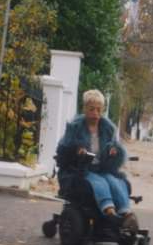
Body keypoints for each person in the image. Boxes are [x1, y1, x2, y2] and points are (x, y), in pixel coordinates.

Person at [56, 90, 137, 228]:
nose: (95, 113)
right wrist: (76, 150)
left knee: (115, 180)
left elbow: (115, 147)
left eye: (99, 110)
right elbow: (63, 149)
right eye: (92, 109)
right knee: (99, 181)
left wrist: (113, 151)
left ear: (103, 110)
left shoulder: (108, 128)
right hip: (80, 169)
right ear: (85, 109)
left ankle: (126, 214)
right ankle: (109, 211)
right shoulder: (75, 127)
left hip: (102, 168)